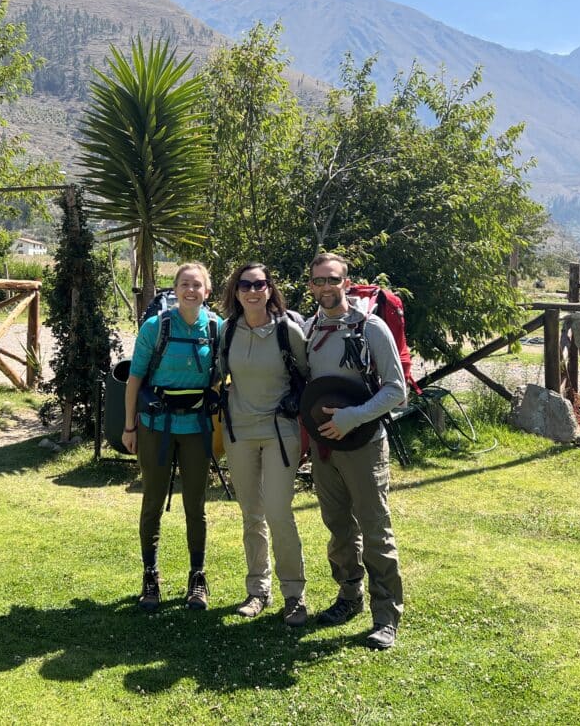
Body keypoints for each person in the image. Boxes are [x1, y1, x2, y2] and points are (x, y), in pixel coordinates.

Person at [303, 252, 406, 650]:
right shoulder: (309, 330)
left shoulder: (370, 328)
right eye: (318, 280)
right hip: (325, 449)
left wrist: (353, 417)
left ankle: (386, 616)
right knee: (339, 528)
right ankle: (349, 597)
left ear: (346, 283)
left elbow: (395, 390)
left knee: (375, 530)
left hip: (363, 445)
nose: (326, 286)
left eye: (333, 279)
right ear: (310, 285)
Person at [123, 262, 221, 612]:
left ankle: (198, 576)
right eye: (184, 284)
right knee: (152, 500)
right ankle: (150, 574)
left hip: (196, 427)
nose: (190, 290)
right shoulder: (156, 326)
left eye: (197, 285)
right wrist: (129, 426)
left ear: (207, 291)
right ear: (175, 289)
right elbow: (134, 379)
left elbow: (225, 374)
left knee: (196, 505)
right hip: (155, 425)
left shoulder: (216, 327)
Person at [218, 262, 309, 626]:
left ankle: (294, 595)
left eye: (259, 284)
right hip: (238, 433)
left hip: (280, 433)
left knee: (278, 513)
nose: (252, 290)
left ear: (270, 289)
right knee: (251, 515)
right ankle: (258, 590)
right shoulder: (226, 332)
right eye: (244, 284)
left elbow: (306, 376)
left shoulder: (288, 331)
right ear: (235, 291)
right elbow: (215, 374)